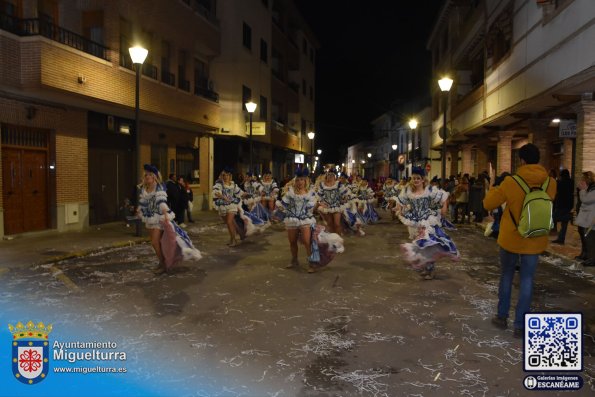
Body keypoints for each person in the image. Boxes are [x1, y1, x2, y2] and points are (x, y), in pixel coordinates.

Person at [484, 144, 556, 338]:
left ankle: (501, 317)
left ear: (522, 160)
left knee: (507, 276)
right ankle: (520, 325)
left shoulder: (511, 182)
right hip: (535, 239)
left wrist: (493, 186)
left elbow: (488, 203)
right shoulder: (550, 182)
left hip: (511, 239)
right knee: (527, 280)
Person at [395, 166, 459, 280]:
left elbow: (444, 197)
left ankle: (429, 269)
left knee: (427, 244)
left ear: (423, 179)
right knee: (421, 246)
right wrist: (399, 209)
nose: (415, 180)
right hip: (415, 220)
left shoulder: (429, 190)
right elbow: (400, 201)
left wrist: (444, 209)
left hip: (427, 220)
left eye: (418, 178)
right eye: (414, 178)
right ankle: (425, 267)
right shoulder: (408, 191)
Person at [137, 164, 201, 275]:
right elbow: (143, 202)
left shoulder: (159, 187)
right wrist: (139, 210)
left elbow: (162, 201)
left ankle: (163, 263)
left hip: (159, 217)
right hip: (149, 217)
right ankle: (163, 262)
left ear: (154, 176)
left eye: (149, 175)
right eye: (146, 175)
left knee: (155, 242)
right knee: (155, 244)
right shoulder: (145, 188)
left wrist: (166, 213)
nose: (147, 177)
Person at [276, 167, 318, 273]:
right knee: (292, 242)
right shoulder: (290, 192)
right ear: (295, 181)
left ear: (306, 181)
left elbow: (311, 207)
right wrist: (278, 212)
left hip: (305, 219)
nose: (300, 182)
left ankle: (311, 262)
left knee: (307, 241)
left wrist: (318, 206)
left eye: (302, 180)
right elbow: (284, 204)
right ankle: (294, 260)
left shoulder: (310, 192)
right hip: (292, 219)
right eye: (298, 180)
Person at [212, 167, 243, 247]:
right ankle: (234, 237)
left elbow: (239, 192)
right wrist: (223, 197)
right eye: (224, 175)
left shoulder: (233, 185)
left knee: (229, 222)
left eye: (227, 175)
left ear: (230, 176)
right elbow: (216, 193)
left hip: (232, 205)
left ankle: (234, 240)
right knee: (229, 223)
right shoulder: (219, 184)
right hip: (222, 205)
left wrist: (247, 194)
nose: (225, 177)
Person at [575, 171, 595, 265]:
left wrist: (582, 190)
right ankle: (587, 255)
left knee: (590, 238)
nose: (581, 180)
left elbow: (586, 200)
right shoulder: (589, 188)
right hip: (587, 217)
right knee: (586, 237)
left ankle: (591, 258)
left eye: (583, 178)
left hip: (591, 218)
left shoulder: (593, 189)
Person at [551, 169, 573, 244]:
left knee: (553, 217)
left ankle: (557, 235)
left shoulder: (560, 183)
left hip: (561, 204)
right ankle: (561, 238)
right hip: (568, 205)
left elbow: (557, 192)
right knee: (564, 223)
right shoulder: (572, 182)